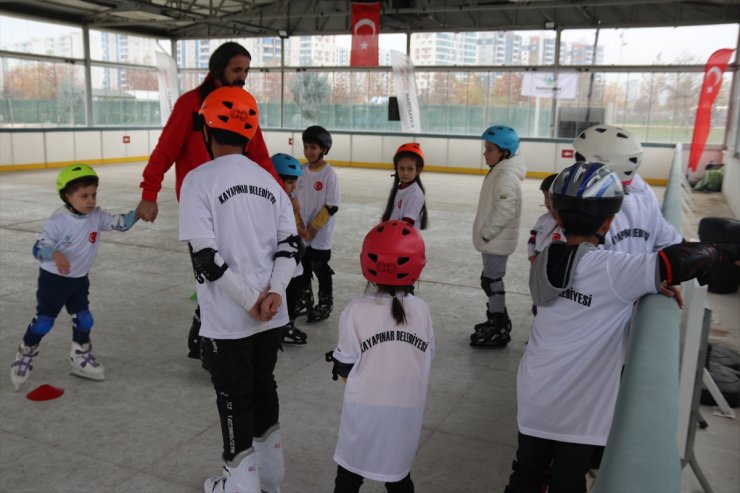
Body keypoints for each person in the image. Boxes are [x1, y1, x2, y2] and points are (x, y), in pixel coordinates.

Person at [504, 161, 739, 493]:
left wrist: (644, 282)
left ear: (557, 216)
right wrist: (728, 250)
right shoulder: (612, 269)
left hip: (536, 391)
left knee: (526, 473)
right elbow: (682, 260)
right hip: (579, 404)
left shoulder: (546, 255)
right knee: (567, 482)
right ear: (610, 220)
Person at [178, 87, 301, 493]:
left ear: (207, 130)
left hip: (230, 322)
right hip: (273, 316)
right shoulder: (268, 179)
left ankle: (240, 485)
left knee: (233, 398)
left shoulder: (197, 181)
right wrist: (274, 294)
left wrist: (251, 301)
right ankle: (272, 479)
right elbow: (291, 246)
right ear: (251, 134)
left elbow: (207, 260)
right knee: (264, 386)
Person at [134, 41, 281, 362]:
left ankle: (206, 337)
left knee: (234, 274)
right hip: (201, 209)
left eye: (246, 70)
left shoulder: (242, 105)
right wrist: (149, 193)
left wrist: (283, 198)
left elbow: (261, 158)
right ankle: (210, 341)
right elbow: (164, 151)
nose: (243, 76)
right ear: (218, 69)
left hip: (240, 205)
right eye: (236, 70)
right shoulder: (190, 106)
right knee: (211, 273)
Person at [326, 220, 433, 493]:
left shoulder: (357, 309)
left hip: (365, 410)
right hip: (406, 412)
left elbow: (344, 367)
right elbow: (425, 356)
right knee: (397, 477)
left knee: (349, 477)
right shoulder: (422, 311)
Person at [10, 164, 138, 391]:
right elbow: (38, 248)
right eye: (83, 196)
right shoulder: (58, 221)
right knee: (43, 323)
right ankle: (26, 352)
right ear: (67, 196)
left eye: (93, 194)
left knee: (85, 319)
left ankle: (80, 356)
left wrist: (138, 213)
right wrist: (55, 254)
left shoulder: (96, 216)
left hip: (79, 280)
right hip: (53, 281)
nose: (90, 201)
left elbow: (121, 223)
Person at [573, 124, 683, 255]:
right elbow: (669, 241)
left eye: (580, 159)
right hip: (643, 272)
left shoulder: (584, 205)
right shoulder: (644, 193)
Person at [470, 125, 526, 348]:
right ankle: (499, 318)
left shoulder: (505, 176)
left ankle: (499, 325)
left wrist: (485, 234)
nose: (485, 153)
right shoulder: (500, 171)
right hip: (494, 241)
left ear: (505, 152)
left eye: (490, 149)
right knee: (490, 279)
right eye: (485, 148)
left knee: (492, 280)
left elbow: (505, 211)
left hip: (496, 241)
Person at [295, 125, 340, 323]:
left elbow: (331, 206)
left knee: (319, 266)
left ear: (323, 149)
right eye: (306, 147)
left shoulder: (329, 174)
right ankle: (304, 300)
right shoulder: (301, 171)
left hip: (320, 232)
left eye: (313, 147)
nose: (308, 151)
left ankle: (325, 302)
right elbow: (294, 202)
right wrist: (300, 228)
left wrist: (312, 229)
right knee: (303, 265)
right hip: (303, 231)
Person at [271, 152, 309, 346]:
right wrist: (290, 207)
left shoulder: (289, 198)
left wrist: (300, 229)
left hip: (293, 254)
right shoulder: (273, 199)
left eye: (295, 181)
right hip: (280, 255)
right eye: (289, 181)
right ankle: (281, 326)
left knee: (296, 286)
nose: (294, 186)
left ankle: (287, 322)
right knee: (287, 289)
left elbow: (291, 224)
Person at [381, 143, 428, 230]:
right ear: (396, 168)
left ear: (418, 170)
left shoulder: (414, 194)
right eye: (401, 168)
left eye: (410, 169)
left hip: (403, 240)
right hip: (394, 236)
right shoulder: (401, 188)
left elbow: (406, 226)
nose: (405, 173)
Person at [527, 174, 563, 264]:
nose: (547, 201)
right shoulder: (542, 219)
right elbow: (532, 237)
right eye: (545, 196)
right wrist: (531, 255)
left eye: (551, 197)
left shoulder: (567, 224)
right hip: (537, 260)